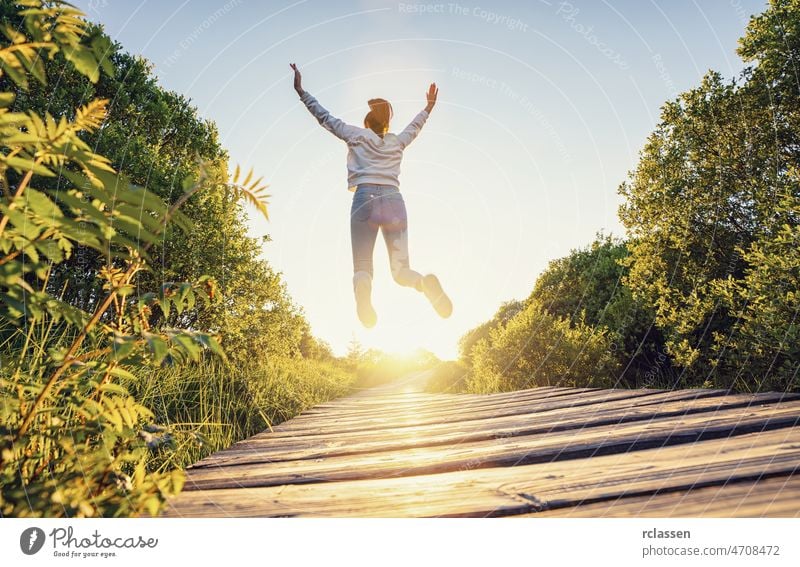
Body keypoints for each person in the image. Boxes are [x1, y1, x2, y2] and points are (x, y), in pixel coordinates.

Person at [290, 63, 452, 328]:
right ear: (387, 124)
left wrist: (301, 90)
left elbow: (325, 117)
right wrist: (428, 108)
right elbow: (415, 127)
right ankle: (424, 283)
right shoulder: (397, 141)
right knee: (401, 272)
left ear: (367, 122)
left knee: (363, 267)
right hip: (394, 203)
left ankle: (363, 293)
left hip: (365, 200)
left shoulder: (355, 135)